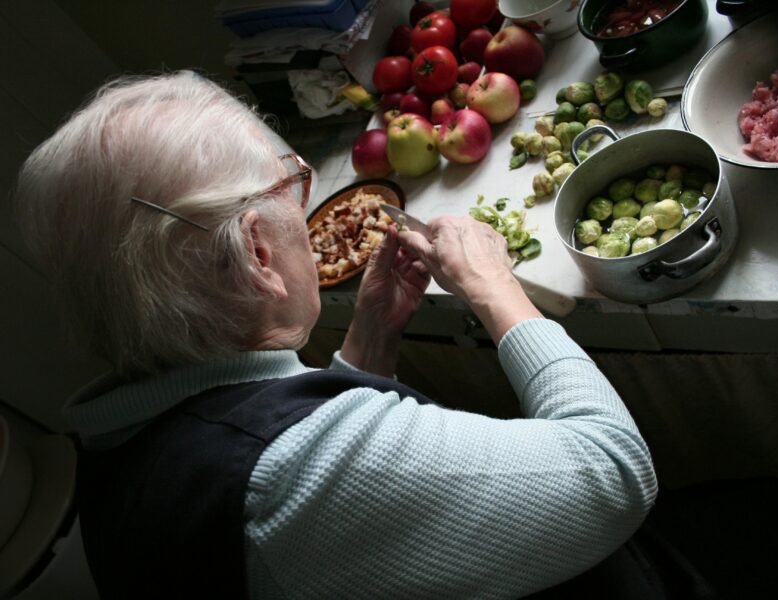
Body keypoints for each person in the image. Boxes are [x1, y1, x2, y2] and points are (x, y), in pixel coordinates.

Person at [14, 71, 658, 599]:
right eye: (294, 184)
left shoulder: (112, 436)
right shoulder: (288, 478)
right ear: (258, 254)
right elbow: (613, 472)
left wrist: (369, 348)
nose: (304, 206)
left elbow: (327, 552)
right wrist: (493, 285)